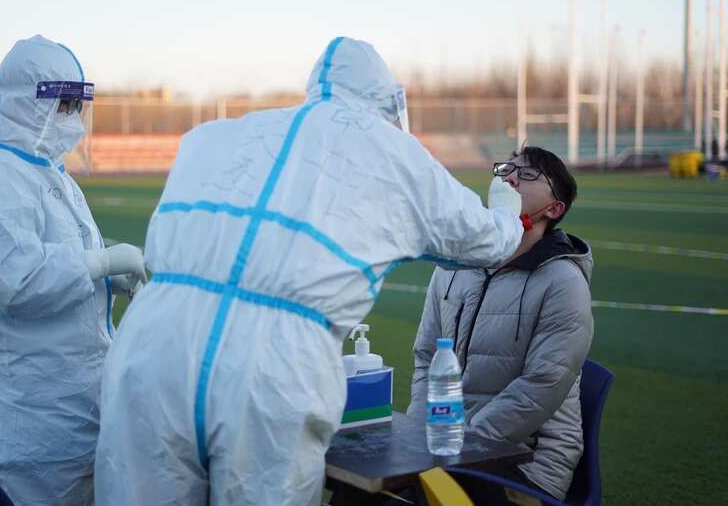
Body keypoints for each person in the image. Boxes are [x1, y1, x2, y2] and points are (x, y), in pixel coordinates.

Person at [94, 36, 524, 506]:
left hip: (152, 343)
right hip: (270, 362)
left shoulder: (217, 135)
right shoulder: (392, 152)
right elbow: (483, 242)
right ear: (386, 99)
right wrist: (505, 209)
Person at [0, 35, 147, 505]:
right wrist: (105, 261)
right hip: (34, 415)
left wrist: (111, 278)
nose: (73, 117)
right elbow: (22, 281)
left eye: (78, 104)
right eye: (64, 103)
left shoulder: (51, 174)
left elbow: (67, 260)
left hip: (76, 404)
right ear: (26, 103)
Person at [407, 146, 594, 500]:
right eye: (508, 169)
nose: (508, 177)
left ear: (553, 209)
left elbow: (542, 383)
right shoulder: (453, 266)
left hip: (527, 464)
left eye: (527, 175)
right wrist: (420, 435)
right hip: (448, 446)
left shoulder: (563, 281)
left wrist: (462, 444)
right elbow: (426, 357)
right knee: (357, 491)